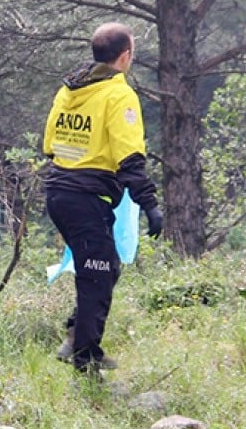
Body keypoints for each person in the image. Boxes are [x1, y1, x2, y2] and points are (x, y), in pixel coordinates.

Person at [42, 23, 163, 374]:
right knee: (97, 270)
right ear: (125, 56)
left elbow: (51, 144)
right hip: (85, 197)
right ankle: (85, 358)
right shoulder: (118, 95)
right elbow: (129, 158)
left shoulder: (68, 91)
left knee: (101, 266)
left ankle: (76, 334)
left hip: (59, 193)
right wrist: (150, 205)